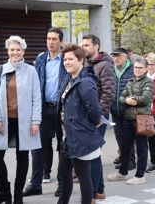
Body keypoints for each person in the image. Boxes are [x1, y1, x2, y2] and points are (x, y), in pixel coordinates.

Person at [0, 36, 42, 204]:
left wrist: (35, 121)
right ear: (8, 51)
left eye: (18, 49)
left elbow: (36, 98)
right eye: (12, 49)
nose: (15, 52)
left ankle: (18, 193)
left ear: (23, 51)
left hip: (25, 121)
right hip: (4, 120)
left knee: (23, 155)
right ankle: (4, 192)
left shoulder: (31, 70)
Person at [56, 44, 104, 204]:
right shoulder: (69, 78)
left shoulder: (85, 82)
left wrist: (91, 124)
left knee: (83, 175)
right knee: (63, 171)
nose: (66, 62)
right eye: (65, 59)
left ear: (81, 60)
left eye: (70, 59)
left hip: (79, 135)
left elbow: (95, 110)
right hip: (66, 135)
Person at [24, 27, 67, 198]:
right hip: (43, 108)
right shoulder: (40, 59)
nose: (51, 42)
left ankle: (63, 184)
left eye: (54, 39)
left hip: (61, 109)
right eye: (49, 39)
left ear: (61, 41)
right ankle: (35, 184)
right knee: (37, 147)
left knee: (63, 148)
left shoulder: (66, 58)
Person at [107, 58, 155, 185]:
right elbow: (121, 98)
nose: (137, 70)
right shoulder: (130, 81)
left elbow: (145, 99)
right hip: (128, 119)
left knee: (142, 148)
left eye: (140, 68)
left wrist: (129, 99)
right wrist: (127, 100)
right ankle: (122, 172)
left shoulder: (148, 82)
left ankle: (140, 175)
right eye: (135, 68)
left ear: (145, 69)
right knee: (125, 146)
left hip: (141, 120)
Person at [82, 34, 116, 200]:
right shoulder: (86, 63)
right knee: (92, 153)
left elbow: (109, 94)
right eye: (82, 45)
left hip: (98, 116)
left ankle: (94, 192)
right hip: (87, 115)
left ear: (96, 46)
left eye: (86, 45)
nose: (83, 48)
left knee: (93, 154)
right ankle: (100, 190)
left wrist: (98, 117)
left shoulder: (105, 66)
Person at [110, 48, 136, 170]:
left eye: (118, 56)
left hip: (128, 108)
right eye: (114, 56)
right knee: (119, 135)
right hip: (115, 108)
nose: (115, 58)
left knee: (128, 136)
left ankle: (131, 161)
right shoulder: (111, 68)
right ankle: (124, 159)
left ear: (125, 57)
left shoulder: (133, 69)